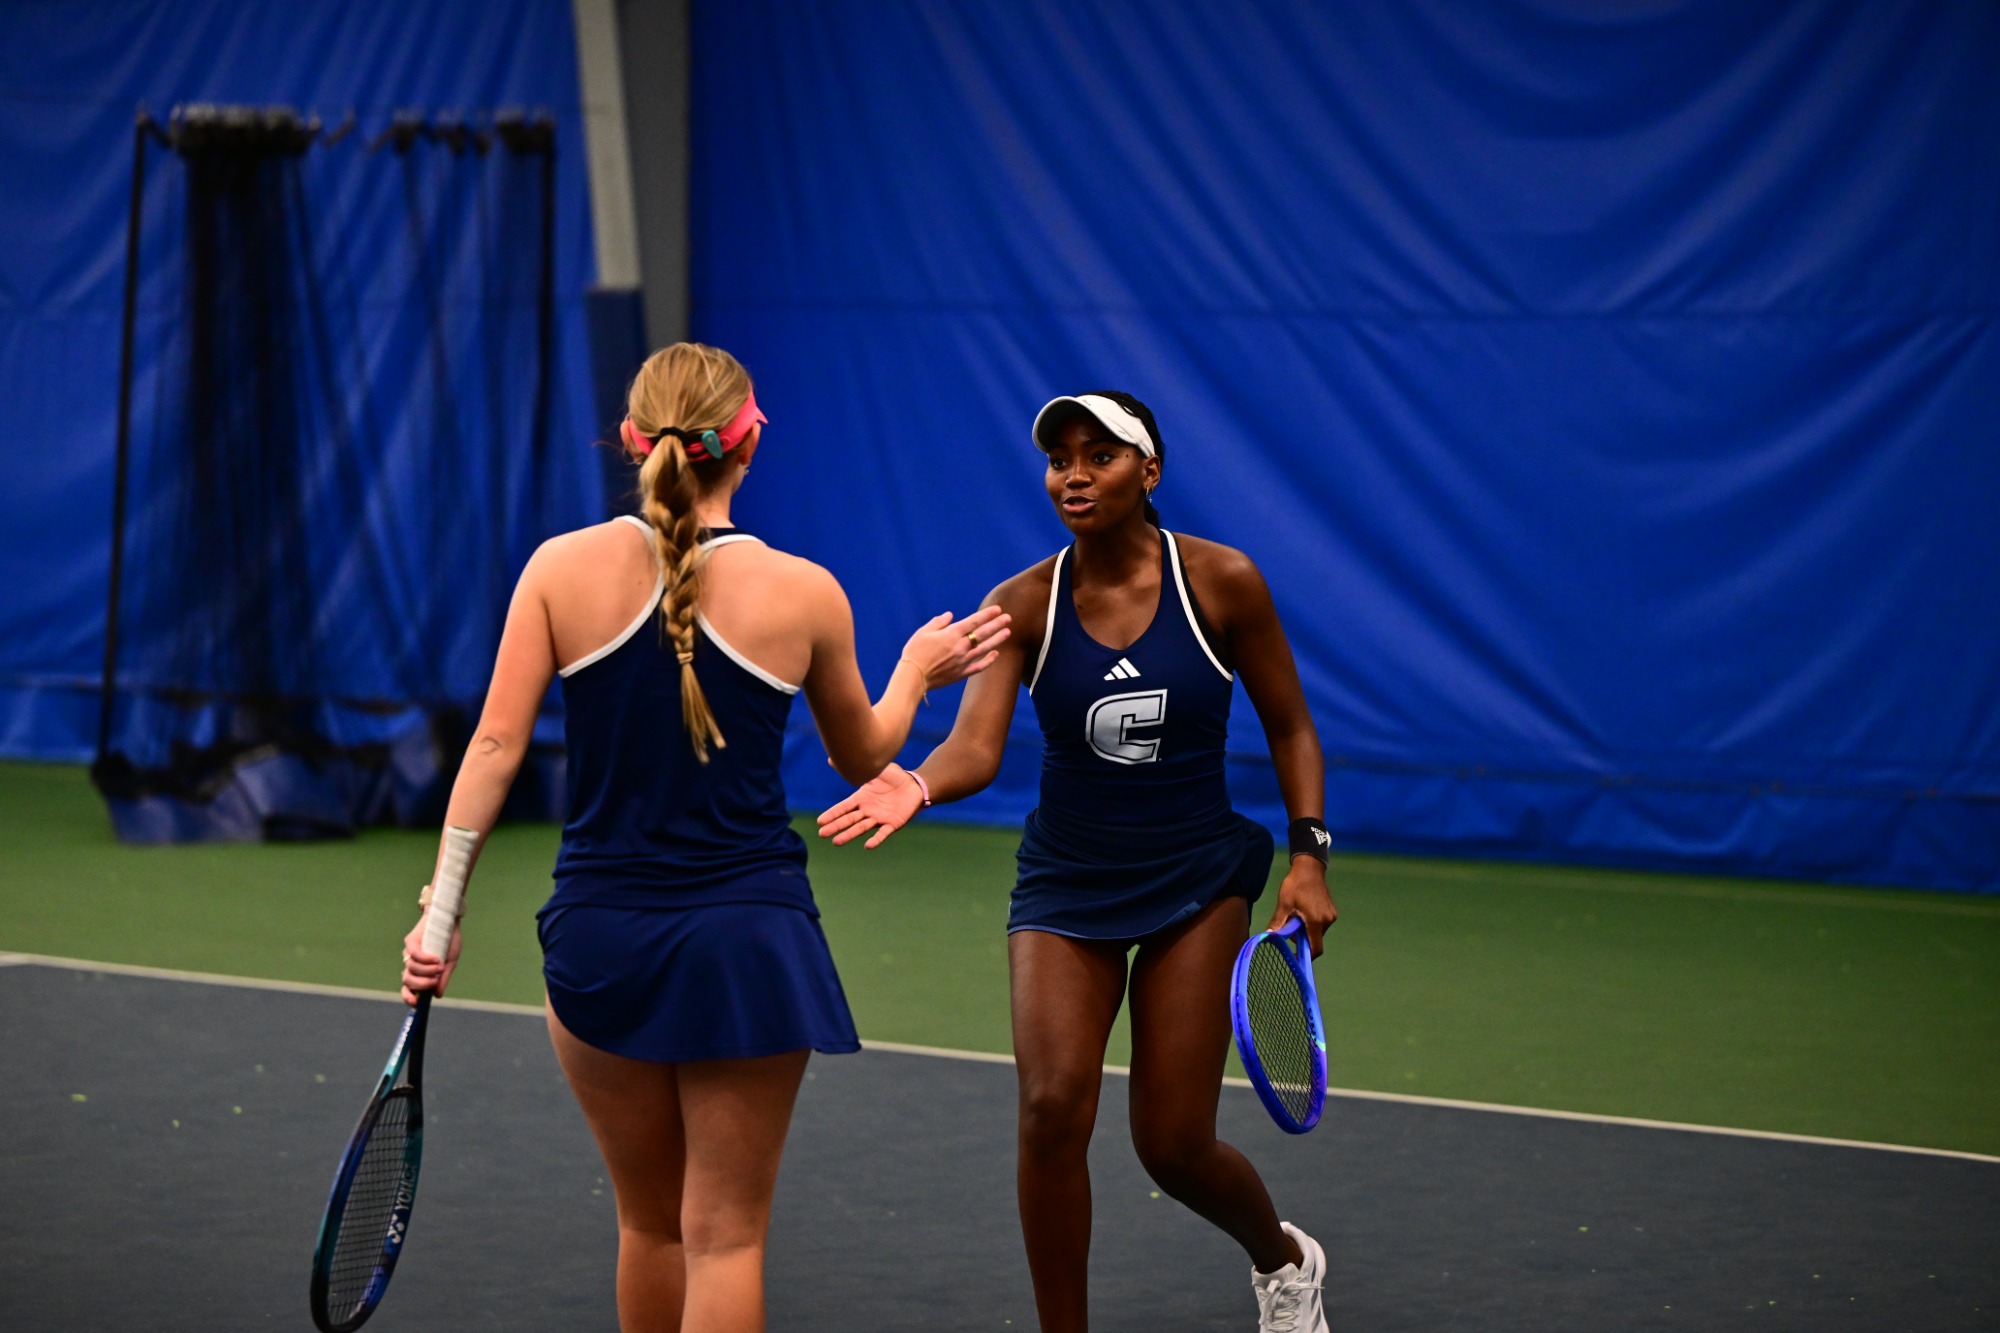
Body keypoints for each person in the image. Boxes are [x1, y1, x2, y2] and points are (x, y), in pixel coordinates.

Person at [398, 342, 1011, 1333]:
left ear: (632, 442)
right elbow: (867, 756)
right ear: (748, 441)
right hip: (747, 946)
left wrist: (439, 915)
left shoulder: (557, 571)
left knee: (650, 1228)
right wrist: (914, 672)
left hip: (599, 941)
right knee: (725, 1235)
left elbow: (494, 744)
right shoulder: (806, 591)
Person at [818, 391, 1339, 1333]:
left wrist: (1310, 855)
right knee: (1051, 1108)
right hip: (1066, 880)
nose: (1074, 474)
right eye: (1060, 458)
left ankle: (1285, 1258)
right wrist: (919, 785)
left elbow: (1293, 724)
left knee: (1172, 1145)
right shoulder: (1020, 603)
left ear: (1150, 470)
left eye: (1099, 455)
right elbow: (975, 746)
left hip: (1195, 877)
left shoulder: (1222, 581)